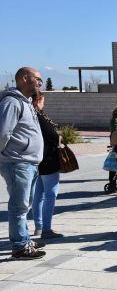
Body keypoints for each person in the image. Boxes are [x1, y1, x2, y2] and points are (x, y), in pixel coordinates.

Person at [0, 67, 46, 259]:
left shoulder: (25, 102)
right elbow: (3, 133)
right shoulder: (12, 102)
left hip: (28, 163)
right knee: (19, 206)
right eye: (38, 79)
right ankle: (20, 246)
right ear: (24, 78)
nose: (40, 83)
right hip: (17, 162)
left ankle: (24, 238)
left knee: (24, 205)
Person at [31, 92, 64, 239]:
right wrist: (60, 138)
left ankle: (39, 226)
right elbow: (53, 136)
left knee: (38, 193)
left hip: (37, 159)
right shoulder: (39, 116)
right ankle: (46, 229)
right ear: (38, 101)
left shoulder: (29, 114)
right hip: (48, 159)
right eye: (43, 100)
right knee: (51, 194)